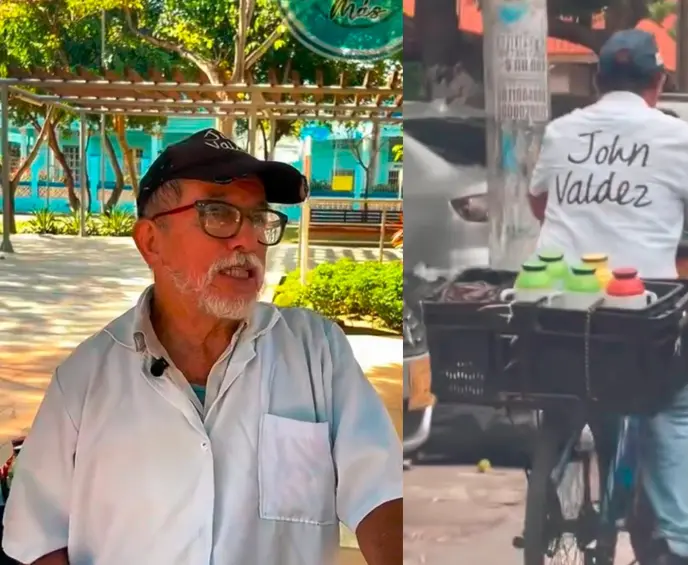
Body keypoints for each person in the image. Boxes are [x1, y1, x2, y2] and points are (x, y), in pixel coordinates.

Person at [2, 128, 402, 565]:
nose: (247, 240)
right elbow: (36, 538)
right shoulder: (84, 380)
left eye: (257, 218)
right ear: (151, 242)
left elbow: (384, 493)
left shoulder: (315, 352)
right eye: (218, 213)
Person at [527, 30, 688, 565]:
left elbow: (540, 204)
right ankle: (678, 545)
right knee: (679, 406)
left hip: (555, 300)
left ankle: (552, 478)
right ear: (659, 82)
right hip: (637, 308)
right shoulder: (673, 136)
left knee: (566, 382)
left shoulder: (561, 130)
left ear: (598, 81)